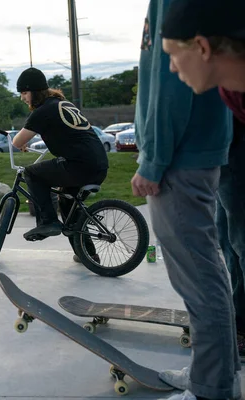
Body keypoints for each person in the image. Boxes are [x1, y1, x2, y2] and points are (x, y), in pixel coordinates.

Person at [133, 1, 240, 399]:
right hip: (195, 150)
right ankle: (211, 374)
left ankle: (212, 386)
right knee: (206, 272)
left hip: (180, 155)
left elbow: (169, 80)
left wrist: (154, 160)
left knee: (199, 278)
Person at [160, 0, 245, 363]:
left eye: (172, 55)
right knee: (229, 239)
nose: (170, 67)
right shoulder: (229, 88)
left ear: (203, 47)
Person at [11, 67, 109, 264]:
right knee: (67, 202)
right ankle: (88, 254)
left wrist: (22, 144)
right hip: (98, 164)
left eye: (24, 93)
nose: (23, 98)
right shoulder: (63, 104)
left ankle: (48, 221)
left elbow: (16, 142)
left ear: (34, 91)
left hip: (77, 165)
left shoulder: (42, 111)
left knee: (32, 173)